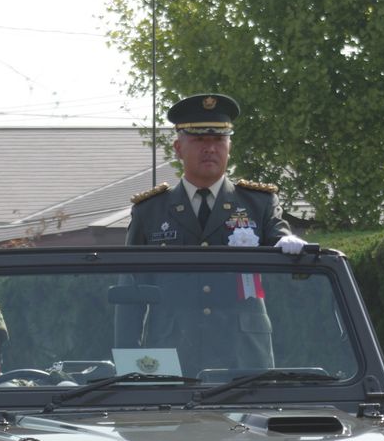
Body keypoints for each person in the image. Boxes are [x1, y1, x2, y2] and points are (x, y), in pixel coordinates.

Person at [122, 94, 307, 373]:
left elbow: (279, 239)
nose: (210, 148)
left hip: (244, 354)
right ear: (178, 148)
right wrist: (128, 362)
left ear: (230, 147)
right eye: (199, 140)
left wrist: (288, 243)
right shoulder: (151, 210)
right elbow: (129, 294)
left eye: (218, 140)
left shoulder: (258, 203)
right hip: (171, 351)